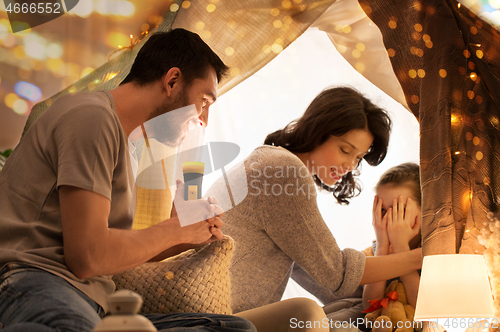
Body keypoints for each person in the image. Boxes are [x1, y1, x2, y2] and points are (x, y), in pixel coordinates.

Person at [0, 28, 257, 332]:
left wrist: (186, 235)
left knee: (233, 329)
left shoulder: (127, 145)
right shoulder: (91, 118)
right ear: (172, 81)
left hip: (93, 299)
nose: (203, 117)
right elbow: (87, 256)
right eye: (204, 100)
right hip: (33, 278)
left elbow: (106, 250)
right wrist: (174, 230)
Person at [206, 87, 423, 319]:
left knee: (345, 309)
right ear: (319, 131)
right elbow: (336, 273)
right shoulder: (284, 171)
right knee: (321, 314)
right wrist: (426, 254)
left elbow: (319, 274)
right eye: (345, 150)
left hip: (217, 311)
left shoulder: (270, 162)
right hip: (217, 317)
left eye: (358, 157)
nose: (350, 165)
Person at [362, 162, 421, 310]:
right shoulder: (380, 246)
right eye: (382, 209)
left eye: (398, 209)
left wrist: (401, 247)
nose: (388, 218)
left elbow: (424, 310)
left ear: (424, 210)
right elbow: (369, 309)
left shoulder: (434, 247)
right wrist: (382, 246)